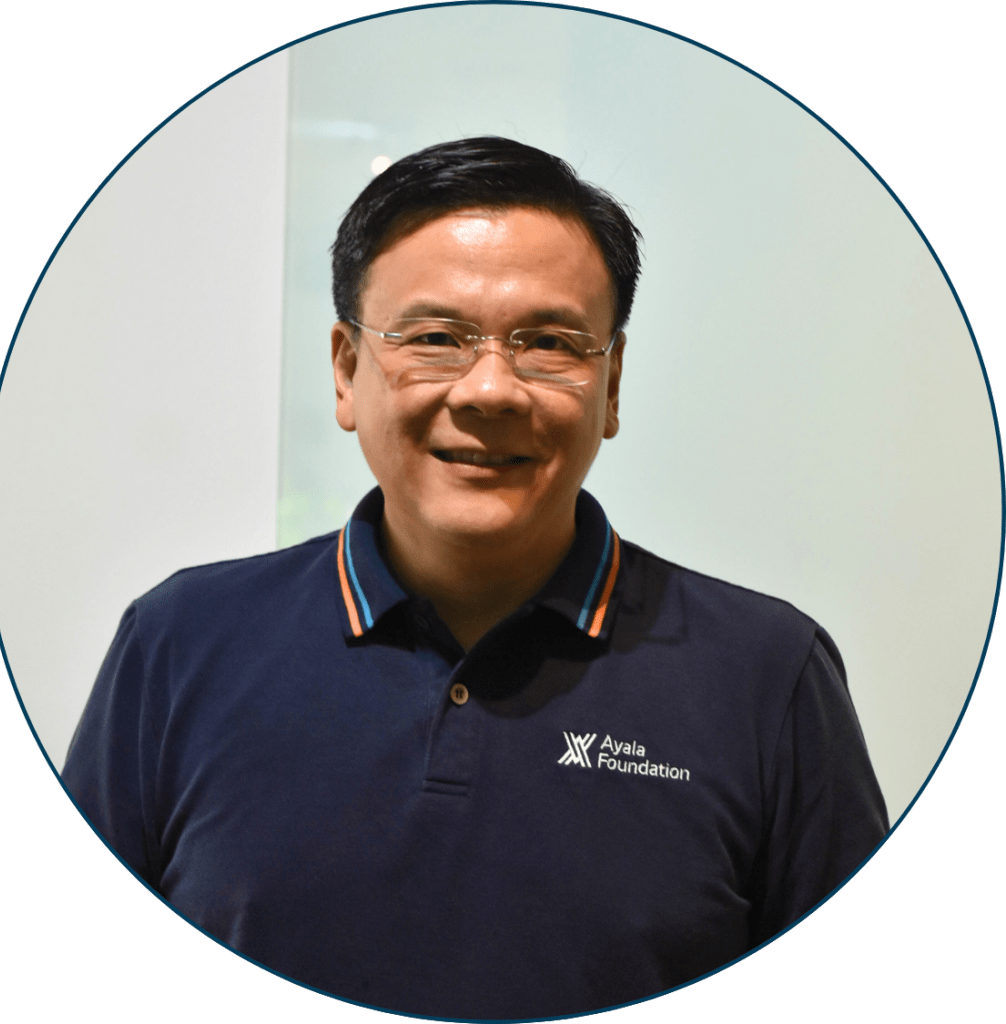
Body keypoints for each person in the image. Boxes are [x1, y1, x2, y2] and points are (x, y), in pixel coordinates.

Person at [62, 137, 888, 1018]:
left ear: (611, 385)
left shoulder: (767, 674)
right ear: (346, 370)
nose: (490, 389)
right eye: (435, 338)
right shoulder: (181, 643)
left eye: (549, 342)